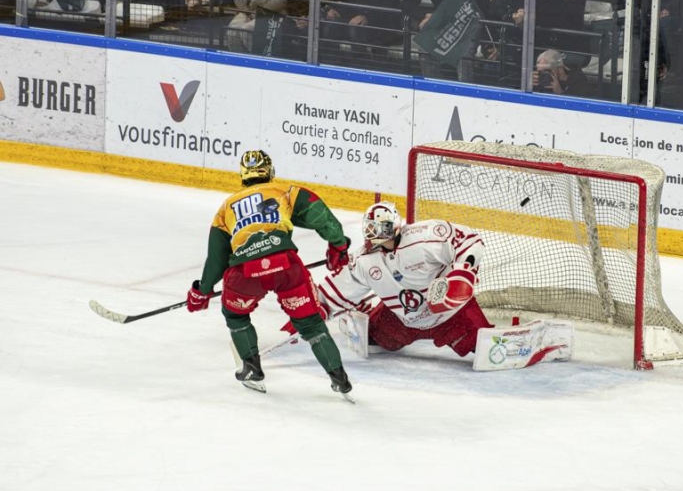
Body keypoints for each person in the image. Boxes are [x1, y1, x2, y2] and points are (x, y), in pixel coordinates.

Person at [185, 150, 353, 395]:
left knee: (235, 315)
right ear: (270, 172)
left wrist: (203, 289)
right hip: (286, 265)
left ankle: (252, 368)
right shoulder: (285, 192)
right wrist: (338, 245)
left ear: (242, 175)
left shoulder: (226, 208)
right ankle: (339, 378)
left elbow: (217, 258)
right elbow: (322, 217)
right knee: (311, 325)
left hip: (245, 272)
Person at [316, 202, 492, 357]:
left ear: (395, 227)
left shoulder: (425, 236)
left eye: (379, 228)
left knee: (487, 348)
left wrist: (464, 272)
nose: (373, 233)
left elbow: (468, 241)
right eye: (370, 228)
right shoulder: (364, 260)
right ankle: (364, 311)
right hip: (401, 321)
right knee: (374, 337)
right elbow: (338, 289)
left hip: (452, 316)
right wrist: (315, 309)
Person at [401, 0, 492, 82]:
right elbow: (407, 3)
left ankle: (465, 92)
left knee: (464, 56)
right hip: (444, 24)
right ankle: (435, 87)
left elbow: (484, 6)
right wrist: (426, 16)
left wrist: (488, 42)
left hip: (467, 25)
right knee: (425, 48)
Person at [227, 0, 292, 54]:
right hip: (247, 10)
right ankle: (241, 63)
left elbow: (281, 0)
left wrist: (258, 12)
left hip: (270, 13)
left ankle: (255, 60)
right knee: (232, 30)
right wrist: (246, 10)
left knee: (246, 30)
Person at [535, 0, 589, 71]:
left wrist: (537, 18)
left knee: (545, 61)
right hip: (545, 44)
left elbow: (563, 20)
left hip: (571, 47)